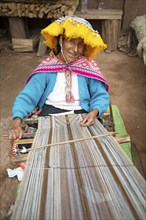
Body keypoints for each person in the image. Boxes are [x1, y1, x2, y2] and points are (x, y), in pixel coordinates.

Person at [9, 16, 110, 140]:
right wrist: (16, 121)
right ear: (61, 40)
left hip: (82, 115)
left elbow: (100, 95)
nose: (75, 49)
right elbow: (28, 96)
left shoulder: (88, 67)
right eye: (71, 42)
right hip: (50, 115)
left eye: (80, 44)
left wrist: (94, 112)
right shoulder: (47, 67)